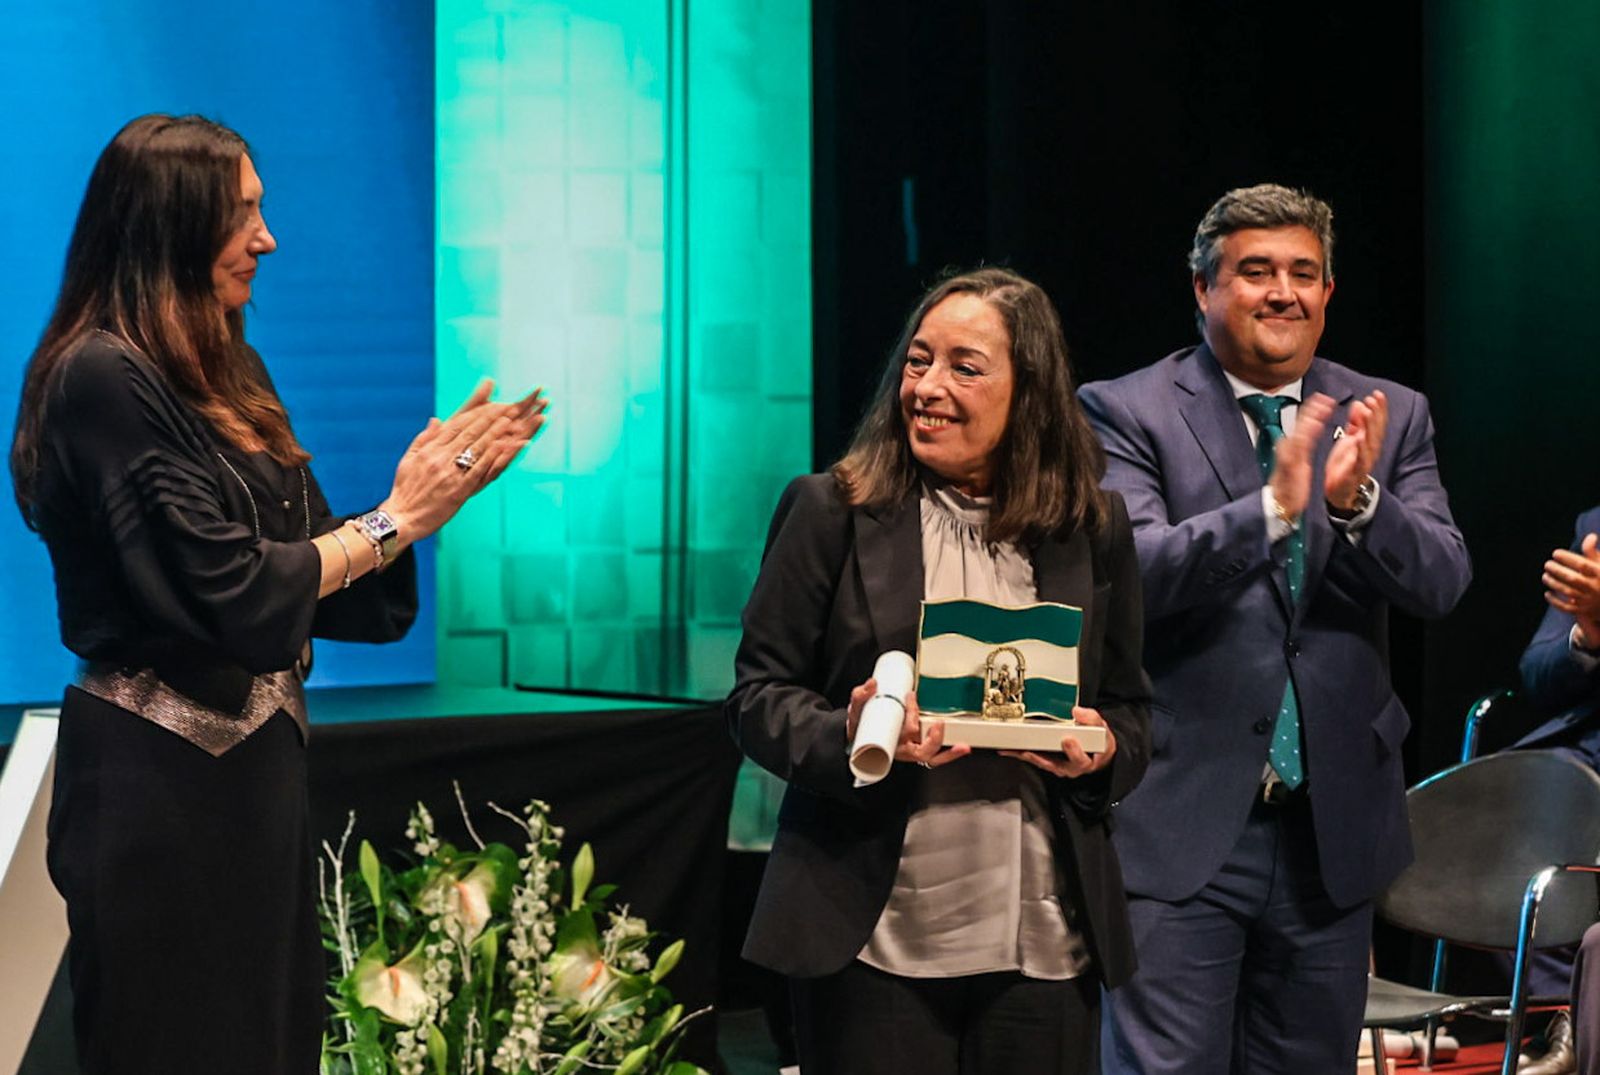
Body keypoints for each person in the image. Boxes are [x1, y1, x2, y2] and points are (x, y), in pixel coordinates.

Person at [8, 114, 546, 1074]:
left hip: (255, 785)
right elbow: (237, 591)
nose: (268, 238)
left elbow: (316, 571)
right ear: (171, 224)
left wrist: (414, 503)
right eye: (243, 213)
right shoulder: (100, 376)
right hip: (154, 785)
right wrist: (393, 522)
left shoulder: (230, 365)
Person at [1078, 183, 1471, 1073]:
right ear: (1203, 288)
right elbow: (1130, 575)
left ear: (1329, 294)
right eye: (1255, 271)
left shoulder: (1389, 411)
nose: (1282, 292)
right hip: (1180, 821)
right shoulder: (1124, 410)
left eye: (1304, 273)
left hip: (1330, 829)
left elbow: (1443, 580)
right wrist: (1272, 509)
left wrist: (1358, 501)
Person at [727, 267, 1152, 1075]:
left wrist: (1100, 752)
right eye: (918, 361)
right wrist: (846, 733)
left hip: (1045, 944)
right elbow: (755, 697)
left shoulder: (1091, 526)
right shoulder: (832, 510)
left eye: (964, 365)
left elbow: (1131, 709)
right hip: (876, 941)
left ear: (1029, 391)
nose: (927, 386)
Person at [1502, 507, 1600, 1075]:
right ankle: (1563, 1013)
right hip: (1585, 760)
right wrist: (1588, 631)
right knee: (1499, 809)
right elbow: (1537, 670)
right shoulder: (1595, 527)